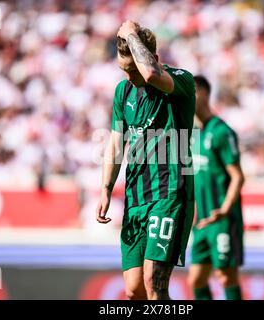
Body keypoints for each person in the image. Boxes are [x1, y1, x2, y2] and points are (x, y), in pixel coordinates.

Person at [96, 20, 195, 300]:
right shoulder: (123, 92)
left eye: (132, 69)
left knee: (154, 282)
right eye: (123, 70)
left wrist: (129, 33)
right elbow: (116, 143)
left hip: (169, 193)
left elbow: (150, 74)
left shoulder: (180, 82)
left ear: (153, 58)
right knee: (134, 290)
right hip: (136, 197)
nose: (130, 77)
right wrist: (105, 189)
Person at [188, 75, 245, 300]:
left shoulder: (222, 132)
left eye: (190, 92)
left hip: (221, 219)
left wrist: (224, 209)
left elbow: (238, 177)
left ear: (202, 93)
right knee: (196, 279)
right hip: (201, 221)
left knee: (225, 276)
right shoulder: (193, 135)